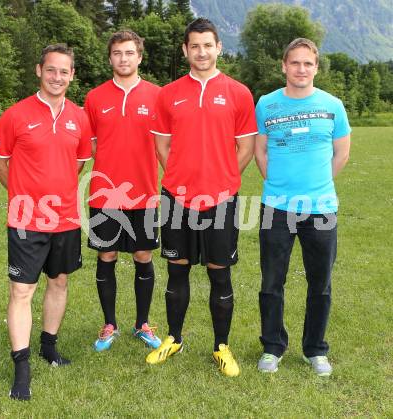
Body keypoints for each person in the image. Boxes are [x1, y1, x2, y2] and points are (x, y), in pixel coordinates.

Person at [145, 18, 257, 377]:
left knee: (219, 273)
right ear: (185, 50)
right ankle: (174, 338)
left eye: (208, 45)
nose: (201, 51)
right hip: (176, 197)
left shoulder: (239, 92)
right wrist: (179, 175)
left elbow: (247, 147)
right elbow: (161, 144)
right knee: (176, 269)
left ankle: (221, 347)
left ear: (219, 47)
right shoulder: (169, 93)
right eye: (194, 45)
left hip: (221, 199)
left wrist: (223, 180)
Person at [0, 44, 92, 400]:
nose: (57, 77)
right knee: (21, 290)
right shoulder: (15, 115)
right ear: (39, 70)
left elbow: (79, 163)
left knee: (59, 282)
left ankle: (49, 346)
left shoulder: (79, 117)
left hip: (65, 217)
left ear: (72, 75)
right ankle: (22, 366)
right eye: (51, 70)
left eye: (64, 71)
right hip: (25, 218)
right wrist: (22, 193)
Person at [254, 38, 351, 376]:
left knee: (320, 281)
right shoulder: (267, 104)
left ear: (316, 67)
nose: (301, 69)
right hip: (277, 208)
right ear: (284, 66)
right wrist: (282, 187)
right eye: (294, 63)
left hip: (322, 208)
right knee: (271, 281)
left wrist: (315, 187)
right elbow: (260, 152)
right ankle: (272, 346)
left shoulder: (333, 105)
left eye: (307, 64)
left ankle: (315, 349)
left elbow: (341, 154)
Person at [84, 30, 161, 352]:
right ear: (110, 58)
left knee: (143, 255)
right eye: (117, 53)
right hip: (105, 194)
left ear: (139, 57)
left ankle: (142, 323)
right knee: (107, 254)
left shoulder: (158, 96)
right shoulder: (94, 97)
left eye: (129, 53)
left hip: (144, 193)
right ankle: (109, 324)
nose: (123, 58)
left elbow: (167, 143)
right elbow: (89, 144)